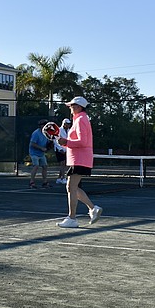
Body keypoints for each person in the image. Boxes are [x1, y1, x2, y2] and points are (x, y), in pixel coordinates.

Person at [56, 96, 102, 228]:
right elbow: (75, 142)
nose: (71, 107)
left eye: (73, 105)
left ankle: (72, 218)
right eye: (70, 105)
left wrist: (66, 142)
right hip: (78, 158)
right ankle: (93, 209)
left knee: (71, 187)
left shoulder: (81, 119)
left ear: (79, 107)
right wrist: (65, 144)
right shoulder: (79, 119)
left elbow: (83, 141)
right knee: (72, 187)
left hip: (80, 159)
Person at [27, 119, 52, 189]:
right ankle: (31, 182)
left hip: (41, 153)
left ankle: (45, 182)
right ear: (41, 126)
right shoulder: (36, 133)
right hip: (34, 153)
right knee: (36, 166)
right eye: (44, 125)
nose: (46, 126)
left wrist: (49, 145)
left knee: (45, 166)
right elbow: (32, 144)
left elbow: (48, 142)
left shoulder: (46, 133)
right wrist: (41, 148)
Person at [54, 118, 72, 184]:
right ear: (64, 124)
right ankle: (63, 177)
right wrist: (60, 149)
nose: (68, 125)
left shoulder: (69, 130)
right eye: (67, 124)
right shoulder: (59, 130)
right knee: (62, 163)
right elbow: (55, 140)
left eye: (69, 124)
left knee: (65, 164)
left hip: (66, 149)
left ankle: (59, 178)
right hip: (59, 149)